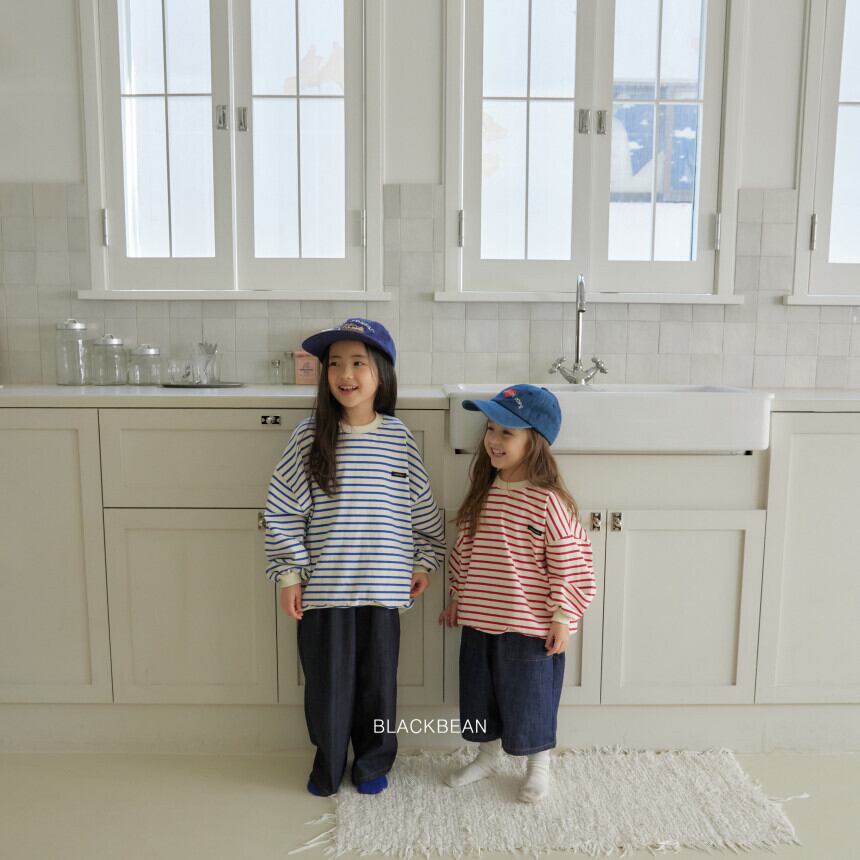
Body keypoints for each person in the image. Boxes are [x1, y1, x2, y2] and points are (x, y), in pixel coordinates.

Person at [265, 318, 445, 797]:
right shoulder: (310, 435)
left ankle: (371, 764)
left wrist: (423, 560)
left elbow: (421, 506)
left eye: (358, 363)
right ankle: (327, 764)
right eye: (335, 364)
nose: (345, 374)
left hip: (384, 589)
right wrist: (288, 574)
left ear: (381, 373)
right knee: (327, 688)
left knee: (377, 687)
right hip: (325, 591)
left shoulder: (398, 437)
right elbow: (283, 508)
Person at [438, 384, 596, 803]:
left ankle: (538, 766)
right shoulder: (484, 492)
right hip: (479, 618)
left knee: (531, 700)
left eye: (507, 432)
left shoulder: (548, 503)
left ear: (534, 442)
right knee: (480, 694)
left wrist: (563, 617)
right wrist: (457, 597)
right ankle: (486, 757)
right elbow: (464, 550)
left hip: (528, 626)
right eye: (491, 429)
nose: (493, 439)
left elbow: (572, 563)